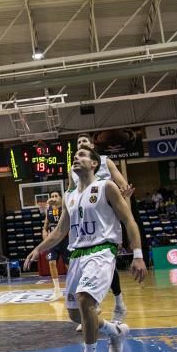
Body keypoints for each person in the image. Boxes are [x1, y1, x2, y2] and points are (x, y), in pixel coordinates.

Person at [24, 146, 148, 352]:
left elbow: (129, 220)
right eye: (74, 157)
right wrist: (38, 249)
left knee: (85, 299)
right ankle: (115, 332)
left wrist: (138, 254)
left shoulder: (106, 187)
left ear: (94, 164)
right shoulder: (69, 195)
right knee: (76, 315)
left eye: (82, 155)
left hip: (101, 250)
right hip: (77, 254)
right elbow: (60, 231)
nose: (76, 159)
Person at [72, 134, 131, 326]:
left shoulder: (105, 162)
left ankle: (118, 301)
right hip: (85, 221)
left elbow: (123, 186)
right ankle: (90, 307)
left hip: (107, 215)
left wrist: (124, 195)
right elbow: (73, 195)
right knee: (83, 260)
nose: (81, 144)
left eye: (85, 142)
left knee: (104, 256)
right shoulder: (74, 170)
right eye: (79, 143)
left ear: (93, 145)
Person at [42, 191, 70, 296]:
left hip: (64, 240)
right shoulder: (48, 210)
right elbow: (45, 225)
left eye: (56, 196)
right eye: (52, 196)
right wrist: (44, 232)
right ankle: (57, 290)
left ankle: (73, 286)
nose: (54, 198)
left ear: (60, 198)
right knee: (51, 263)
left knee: (68, 265)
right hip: (53, 241)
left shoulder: (64, 207)